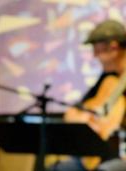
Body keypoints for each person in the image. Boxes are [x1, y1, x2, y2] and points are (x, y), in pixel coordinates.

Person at [48, 19, 126, 171]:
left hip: (118, 158)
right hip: (99, 155)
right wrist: (86, 118)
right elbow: (72, 112)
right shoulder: (108, 78)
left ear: (114, 47)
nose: (94, 56)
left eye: (97, 49)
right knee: (56, 169)